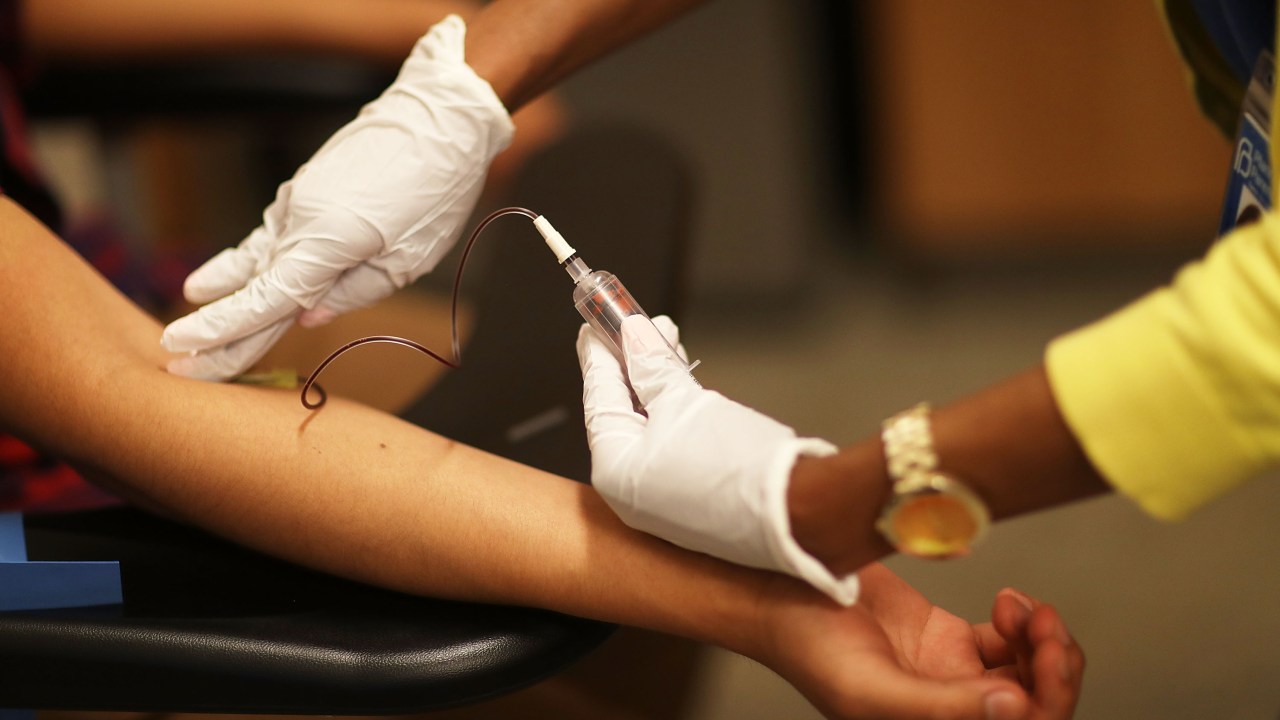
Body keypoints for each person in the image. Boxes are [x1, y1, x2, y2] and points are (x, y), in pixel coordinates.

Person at [0, 9, 1086, 720]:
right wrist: (769, 593)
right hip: (49, 471)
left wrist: (457, 62)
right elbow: (135, 402)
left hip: (92, 309)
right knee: (570, 669)